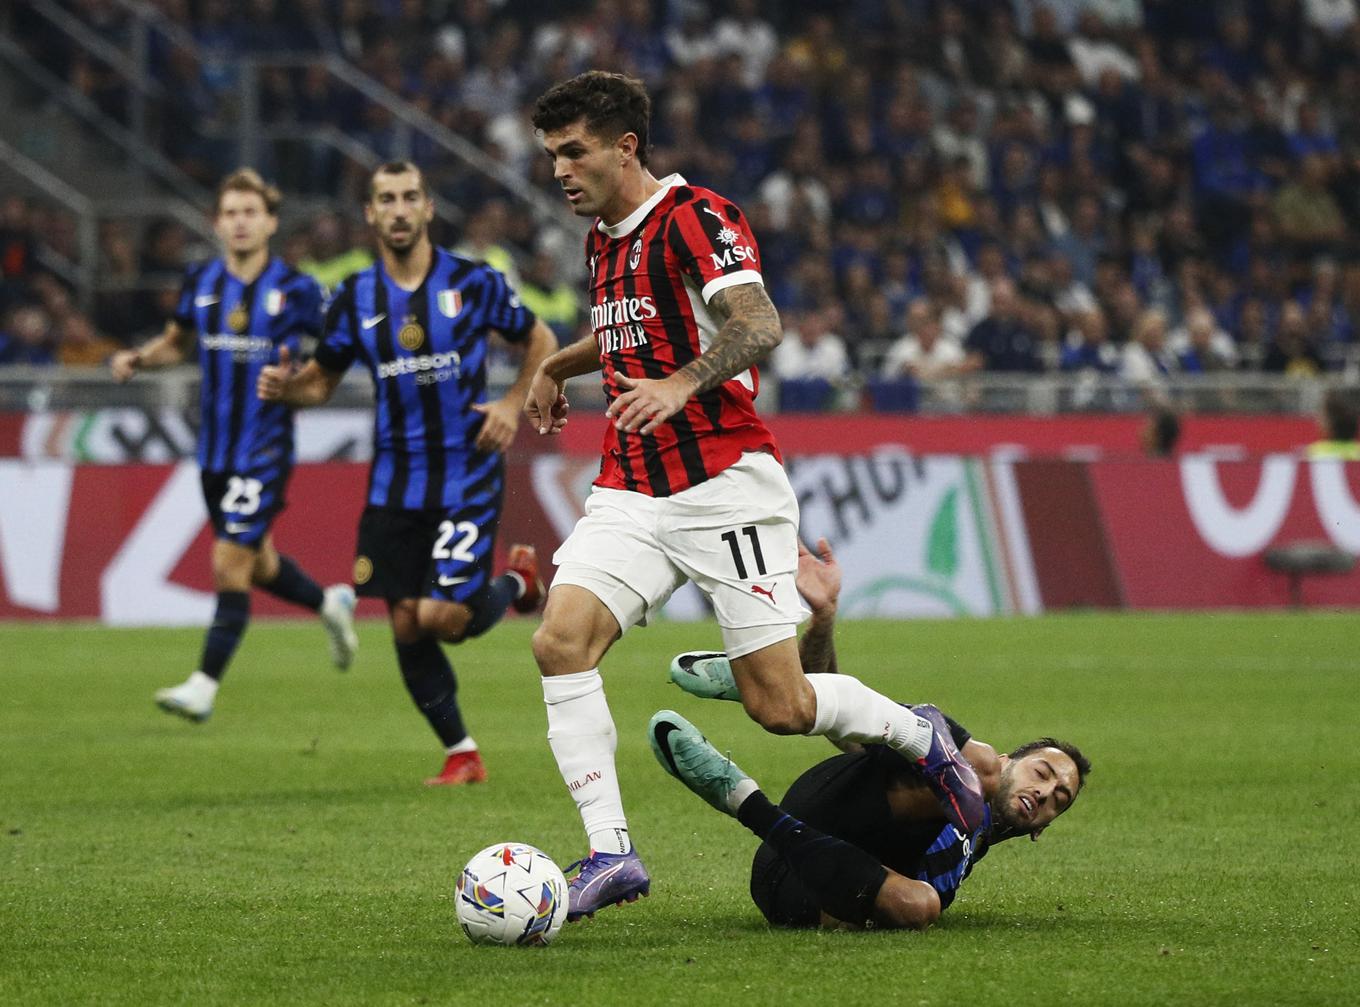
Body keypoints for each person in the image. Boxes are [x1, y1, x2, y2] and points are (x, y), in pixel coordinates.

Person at [525, 71, 984, 921]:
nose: (557, 168)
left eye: (572, 151)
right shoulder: (603, 238)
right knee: (560, 643)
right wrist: (558, 363)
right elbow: (627, 325)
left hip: (724, 485)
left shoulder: (696, 215)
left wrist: (682, 384)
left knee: (782, 705)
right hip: (631, 486)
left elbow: (757, 319)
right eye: (551, 154)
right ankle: (611, 853)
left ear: (625, 146)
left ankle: (922, 738)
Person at [257, 161, 558, 785]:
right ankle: (461, 752)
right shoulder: (354, 299)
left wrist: (510, 405)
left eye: (410, 198)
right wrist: (287, 390)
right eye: (386, 199)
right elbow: (321, 379)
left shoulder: (472, 283)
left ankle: (514, 584)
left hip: (466, 470)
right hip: (395, 480)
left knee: (442, 619)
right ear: (370, 213)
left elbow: (541, 338)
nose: (398, 209)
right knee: (402, 621)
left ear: (427, 209)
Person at [657, 538, 1090, 931]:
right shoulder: (979, 773)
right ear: (1009, 762)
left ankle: (741, 789)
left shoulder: (963, 858)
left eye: (1059, 799)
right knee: (968, 774)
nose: (1046, 791)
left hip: (798, 876)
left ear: (1042, 830)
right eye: (1043, 771)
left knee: (920, 907)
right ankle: (779, 688)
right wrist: (823, 621)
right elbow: (853, 736)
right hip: (832, 809)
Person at [110, 168, 358, 723]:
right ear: (217, 223)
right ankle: (329, 603)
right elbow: (178, 344)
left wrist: (300, 384)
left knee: (228, 562)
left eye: (252, 212)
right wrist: (139, 358)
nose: (241, 221)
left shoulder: (295, 289)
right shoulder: (202, 281)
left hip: (265, 446)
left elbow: (338, 348)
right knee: (258, 562)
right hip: (214, 452)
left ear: (269, 222)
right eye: (231, 212)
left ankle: (203, 685)